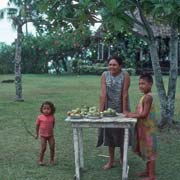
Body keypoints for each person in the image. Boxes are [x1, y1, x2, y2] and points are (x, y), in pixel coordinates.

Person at [97, 55, 130, 170]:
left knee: (121, 133)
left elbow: (125, 93)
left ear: (120, 66)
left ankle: (122, 158)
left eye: (114, 64)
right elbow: (103, 93)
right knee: (109, 134)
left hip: (122, 106)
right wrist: (100, 111)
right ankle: (111, 160)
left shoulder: (125, 75)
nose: (112, 66)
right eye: (110, 64)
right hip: (109, 108)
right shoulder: (104, 75)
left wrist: (124, 110)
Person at [124, 73, 157, 180]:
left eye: (143, 83)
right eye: (139, 84)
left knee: (150, 152)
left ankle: (152, 176)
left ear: (150, 84)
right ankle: (147, 171)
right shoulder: (145, 96)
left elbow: (144, 114)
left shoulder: (147, 97)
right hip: (143, 128)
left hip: (148, 129)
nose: (141, 86)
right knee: (145, 151)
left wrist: (130, 114)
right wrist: (132, 114)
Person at [35, 101, 56, 165]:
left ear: (51, 109)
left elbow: (53, 125)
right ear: (42, 109)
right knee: (43, 148)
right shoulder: (40, 117)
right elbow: (37, 125)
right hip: (43, 136)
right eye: (44, 108)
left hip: (50, 135)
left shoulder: (52, 117)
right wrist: (36, 134)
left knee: (52, 147)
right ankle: (40, 160)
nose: (46, 110)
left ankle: (52, 160)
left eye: (48, 109)